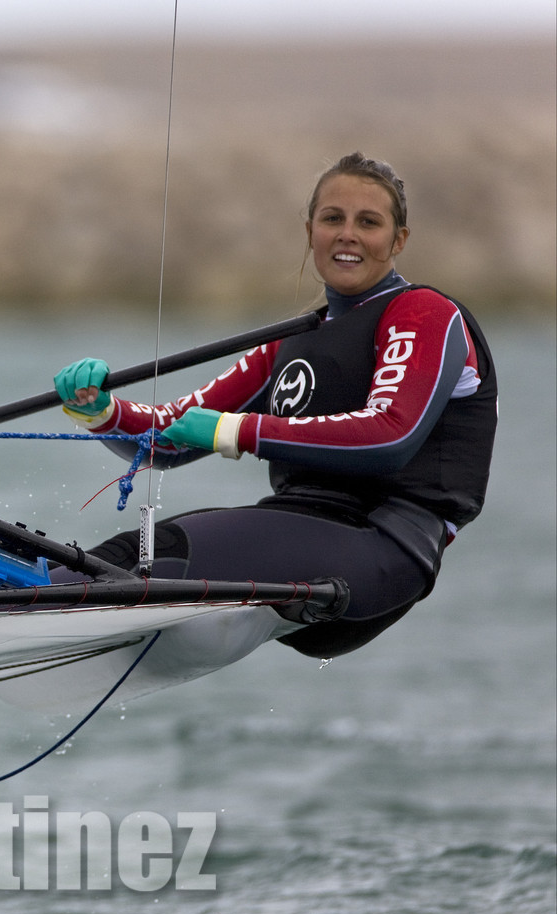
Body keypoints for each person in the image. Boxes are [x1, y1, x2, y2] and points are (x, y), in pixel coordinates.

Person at [51, 152, 497, 657]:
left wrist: (235, 431)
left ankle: (14, 607)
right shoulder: (290, 343)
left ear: (398, 241)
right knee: (126, 555)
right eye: (333, 219)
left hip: (384, 546)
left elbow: (389, 435)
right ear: (311, 231)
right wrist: (101, 411)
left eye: (368, 222)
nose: (348, 234)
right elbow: (167, 439)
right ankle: (11, 603)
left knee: (162, 553)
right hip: (303, 530)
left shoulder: (422, 313)